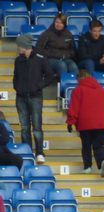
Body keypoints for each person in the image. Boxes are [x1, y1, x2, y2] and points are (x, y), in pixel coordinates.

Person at [14, 34, 55, 165]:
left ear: (24, 46)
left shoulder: (40, 59)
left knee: (37, 127)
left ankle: (39, 153)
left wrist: (38, 86)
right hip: (20, 97)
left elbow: (50, 76)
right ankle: (27, 152)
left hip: (35, 97)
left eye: (19, 46)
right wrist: (17, 87)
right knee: (24, 127)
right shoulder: (18, 60)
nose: (18, 48)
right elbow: (15, 76)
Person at [66, 70, 104, 177]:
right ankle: (101, 163)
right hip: (101, 123)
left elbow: (74, 108)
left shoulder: (78, 90)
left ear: (80, 78)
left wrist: (70, 122)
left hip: (85, 123)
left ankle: (87, 167)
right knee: (99, 145)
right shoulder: (102, 90)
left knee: (86, 146)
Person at [35, 13, 78, 78]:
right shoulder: (47, 34)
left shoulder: (68, 34)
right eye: (57, 22)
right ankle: (62, 86)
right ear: (54, 22)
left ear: (64, 24)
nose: (58, 25)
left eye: (61, 23)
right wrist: (53, 54)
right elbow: (38, 49)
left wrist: (67, 55)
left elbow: (73, 50)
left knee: (73, 65)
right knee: (62, 65)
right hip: (50, 59)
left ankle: (75, 86)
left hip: (65, 58)